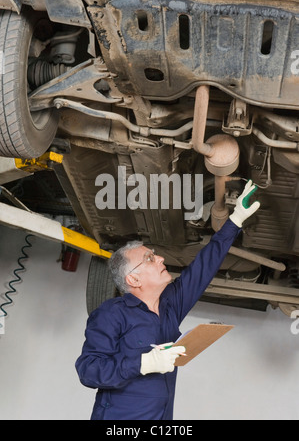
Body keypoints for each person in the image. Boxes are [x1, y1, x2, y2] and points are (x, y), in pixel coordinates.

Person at [75, 180, 260, 420]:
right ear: (133, 279)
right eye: (150, 259)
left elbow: (203, 268)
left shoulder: (170, 305)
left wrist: (235, 221)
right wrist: (144, 364)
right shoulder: (112, 313)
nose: (161, 258)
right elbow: (88, 370)